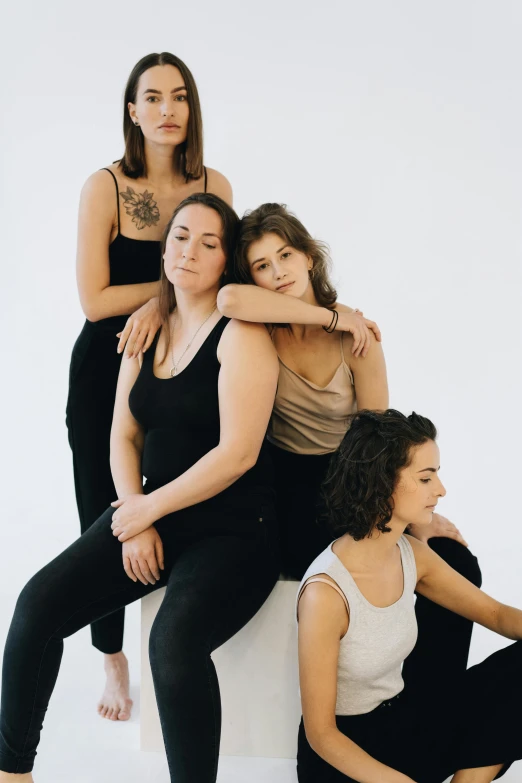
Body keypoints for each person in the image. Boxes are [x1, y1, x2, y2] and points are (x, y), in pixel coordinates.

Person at [0, 193, 279, 783]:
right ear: (164, 245)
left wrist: (146, 508)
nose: (189, 251)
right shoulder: (147, 328)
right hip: (151, 511)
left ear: (226, 260)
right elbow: (123, 434)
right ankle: (12, 772)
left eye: (209, 243)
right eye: (180, 236)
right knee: (36, 607)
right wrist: (136, 514)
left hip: (234, 530)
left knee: (172, 649)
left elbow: (238, 455)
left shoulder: (241, 334)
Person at [218, 203, 482, 692]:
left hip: (353, 475)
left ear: (310, 257)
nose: (278, 273)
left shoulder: (358, 339)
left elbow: (376, 443)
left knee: (456, 563)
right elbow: (229, 300)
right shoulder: (259, 330)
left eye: (286, 255)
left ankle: (433, 700)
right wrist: (329, 315)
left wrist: (411, 519)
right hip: (287, 484)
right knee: (339, 575)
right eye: (262, 265)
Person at [66, 51, 232, 721]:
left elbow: (226, 278)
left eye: (180, 96)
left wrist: (166, 301)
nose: (168, 109)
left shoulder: (213, 181)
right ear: (132, 111)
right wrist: (164, 294)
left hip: (186, 362)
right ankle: (111, 653)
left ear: (191, 109)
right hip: (107, 362)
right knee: (102, 513)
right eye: (153, 97)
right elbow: (94, 298)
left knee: (181, 495)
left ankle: (182, 632)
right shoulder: (104, 186)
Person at [296, 409, 522, 783]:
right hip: (346, 759)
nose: (441, 489)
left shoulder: (409, 554)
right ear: (382, 482)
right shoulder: (326, 594)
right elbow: (322, 736)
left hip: (403, 724)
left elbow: (495, 614)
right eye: (425, 477)